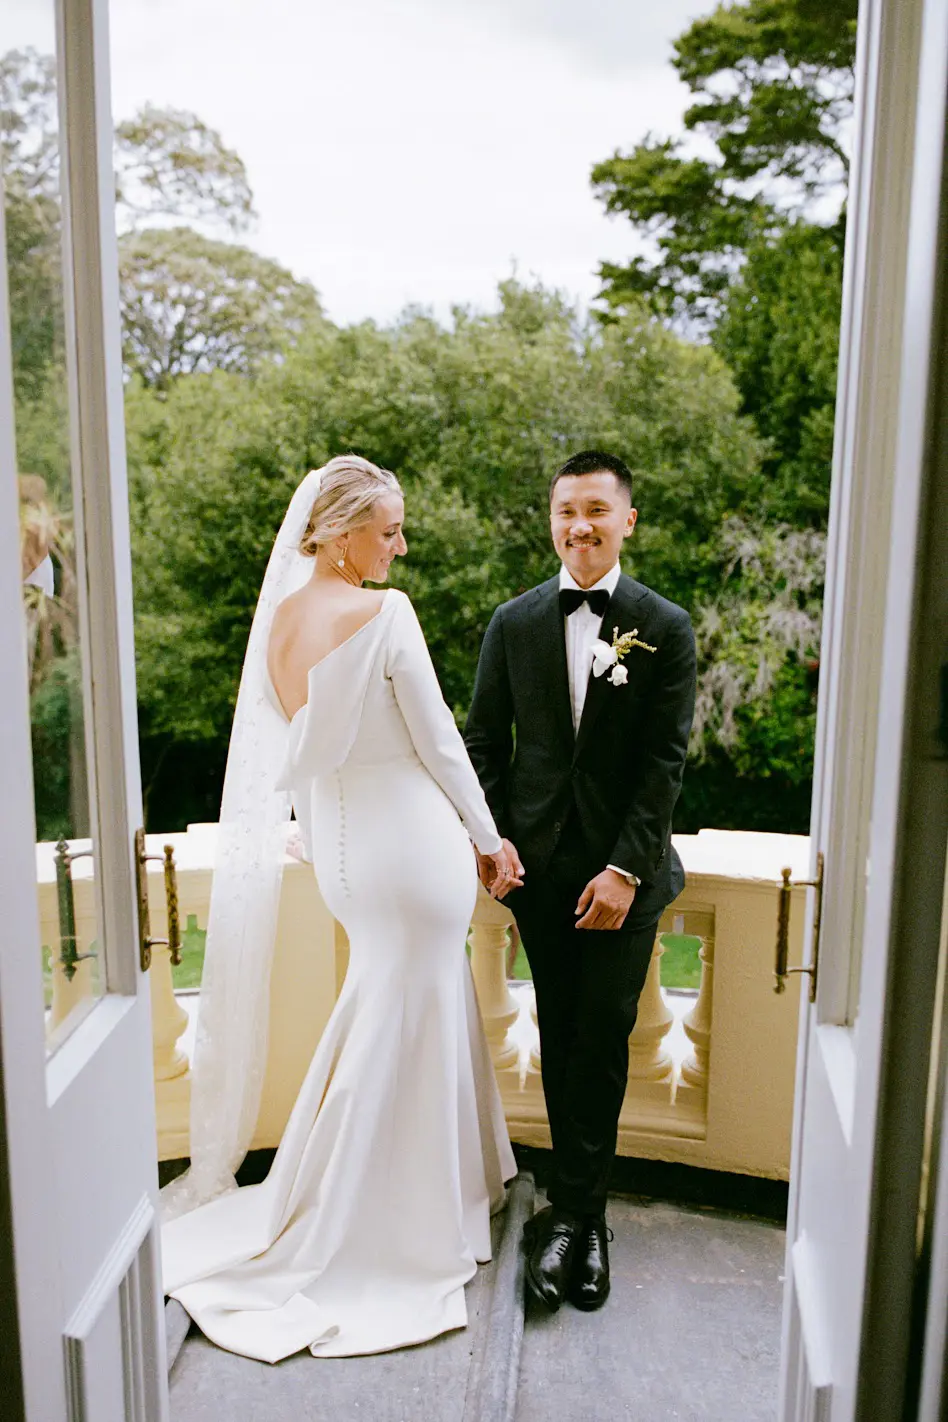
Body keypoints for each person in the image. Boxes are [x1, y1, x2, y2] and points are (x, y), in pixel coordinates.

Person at [161, 455, 518, 1362]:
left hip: (347, 859)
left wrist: (318, 843)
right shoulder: (382, 612)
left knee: (388, 1010)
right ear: (338, 532)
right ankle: (382, 1220)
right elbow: (438, 740)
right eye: (388, 529)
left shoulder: (281, 623)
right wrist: (488, 837)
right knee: (413, 1014)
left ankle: (435, 1192)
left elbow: (300, 753)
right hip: (411, 843)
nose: (399, 544)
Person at [464, 450, 696, 1314]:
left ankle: (580, 1220)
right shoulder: (513, 622)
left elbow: (662, 762)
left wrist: (626, 868)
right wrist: (494, 844)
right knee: (560, 1035)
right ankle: (572, 1216)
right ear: (551, 520)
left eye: (597, 510)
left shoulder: (662, 626)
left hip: (624, 879)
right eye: (566, 511)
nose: (579, 526)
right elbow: (484, 743)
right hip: (538, 878)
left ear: (626, 520)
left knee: (602, 1036)